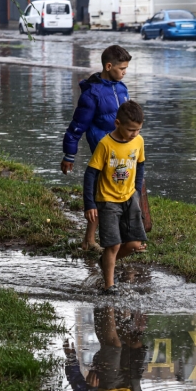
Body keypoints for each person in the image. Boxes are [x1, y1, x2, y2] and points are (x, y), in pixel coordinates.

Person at [61, 45, 132, 253]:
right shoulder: (92, 94)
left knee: (118, 189)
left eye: (126, 69)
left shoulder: (122, 88)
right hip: (102, 149)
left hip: (122, 149)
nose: (124, 72)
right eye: (122, 69)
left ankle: (91, 239)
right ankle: (93, 240)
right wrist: (69, 155)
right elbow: (76, 127)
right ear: (108, 66)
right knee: (104, 192)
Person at [83, 101, 147, 294]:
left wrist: (136, 189)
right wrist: (90, 204)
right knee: (114, 244)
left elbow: (141, 164)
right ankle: (109, 285)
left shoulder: (139, 141)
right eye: (130, 130)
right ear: (117, 123)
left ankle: (105, 261)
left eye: (138, 130)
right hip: (108, 200)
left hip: (129, 198)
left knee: (135, 244)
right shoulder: (105, 144)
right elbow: (90, 174)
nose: (134, 134)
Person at [64, 306, 148, 391]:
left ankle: (107, 297)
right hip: (130, 387)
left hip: (108, 389)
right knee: (135, 344)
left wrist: (71, 360)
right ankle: (108, 310)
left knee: (114, 344)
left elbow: (79, 389)